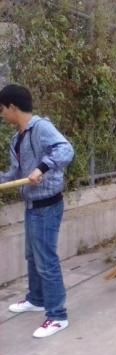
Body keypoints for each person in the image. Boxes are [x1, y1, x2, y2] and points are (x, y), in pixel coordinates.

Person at [1, 84, 74, 338]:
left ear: (12, 107)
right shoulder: (17, 138)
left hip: (48, 206)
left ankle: (57, 315)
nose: (2, 114)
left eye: (2, 109)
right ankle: (36, 299)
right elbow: (14, 174)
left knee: (46, 261)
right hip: (32, 206)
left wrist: (42, 168)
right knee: (33, 257)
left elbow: (65, 149)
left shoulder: (41, 127)